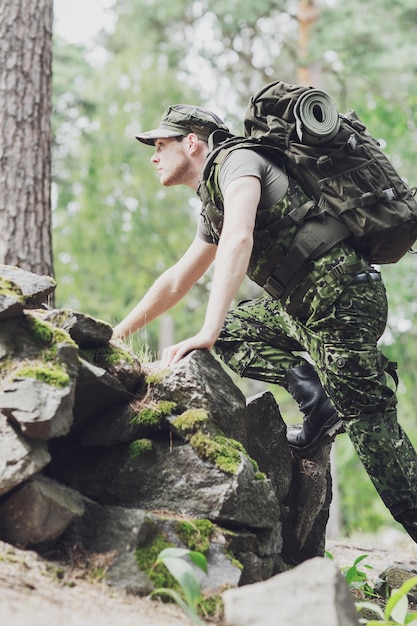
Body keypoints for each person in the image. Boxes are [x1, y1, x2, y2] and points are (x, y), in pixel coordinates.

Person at [113, 103, 417, 543]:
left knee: (375, 436)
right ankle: (318, 401)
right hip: (302, 310)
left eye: (161, 145)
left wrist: (206, 329)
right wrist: (117, 335)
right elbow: (178, 279)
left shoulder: (238, 162)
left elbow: (240, 237)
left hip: (343, 299)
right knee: (239, 331)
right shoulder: (212, 202)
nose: (155, 157)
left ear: (192, 142)